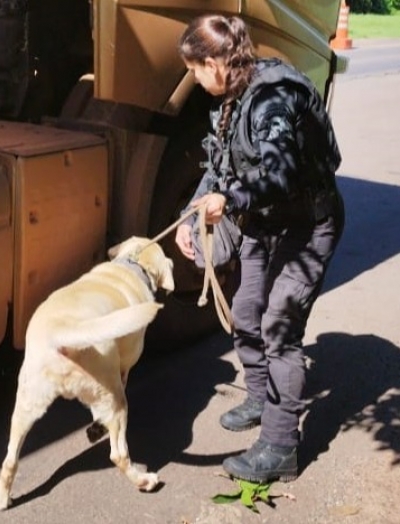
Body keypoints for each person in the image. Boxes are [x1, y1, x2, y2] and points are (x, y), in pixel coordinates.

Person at [175, 14, 345, 483]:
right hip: (265, 221)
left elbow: (280, 172)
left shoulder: (274, 96)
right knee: (247, 312)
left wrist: (227, 200)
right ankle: (259, 395)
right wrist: (195, 209)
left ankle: (280, 446)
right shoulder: (229, 95)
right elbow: (220, 161)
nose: (192, 77)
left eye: (194, 69)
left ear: (213, 63)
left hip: (308, 224)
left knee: (278, 329)